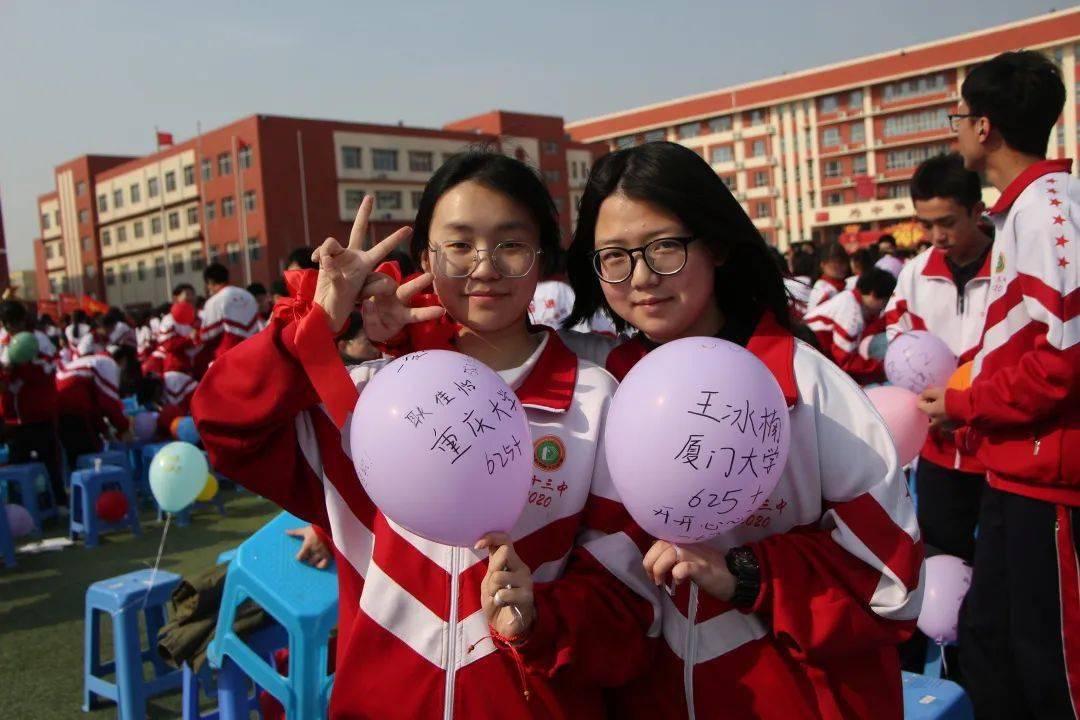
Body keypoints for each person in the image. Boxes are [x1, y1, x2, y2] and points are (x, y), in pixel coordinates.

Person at [192, 153, 660, 718]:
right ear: (423, 260)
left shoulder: (596, 401)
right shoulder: (367, 404)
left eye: (510, 244)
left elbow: (627, 603)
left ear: (543, 260)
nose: (484, 267)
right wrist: (318, 322)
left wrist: (540, 616)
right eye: (459, 245)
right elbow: (224, 425)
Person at [561, 141, 921, 719]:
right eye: (615, 257)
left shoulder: (808, 389)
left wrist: (747, 574)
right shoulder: (609, 386)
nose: (642, 278)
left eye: (664, 247)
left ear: (718, 244)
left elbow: (894, 581)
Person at [918, 50, 1079, 719]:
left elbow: (1060, 364)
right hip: (1011, 471)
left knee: (1052, 667)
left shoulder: (1050, 213)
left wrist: (964, 402)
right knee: (991, 645)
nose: (954, 130)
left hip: (1049, 481)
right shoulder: (1022, 210)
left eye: (957, 116)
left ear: (984, 127)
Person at [886, 153, 992, 564]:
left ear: (976, 210)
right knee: (941, 554)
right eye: (926, 224)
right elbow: (898, 337)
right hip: (937, 448)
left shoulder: (1009, 264)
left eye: (947, 222)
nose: (937, 235)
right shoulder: (914, 273)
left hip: (995, 446)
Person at [0, 301, 64, 507]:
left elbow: (50, 369)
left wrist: (23, 367)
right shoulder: (3, 341)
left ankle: (59, 502)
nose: (11, 328)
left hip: (39, 415)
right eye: (7, 324)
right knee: (17, 465)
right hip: (12, 419)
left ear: (22, 320)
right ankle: (19, 507)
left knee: (50, 463)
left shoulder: (39, 340)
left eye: (14, 323)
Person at [804, 268, 895, 385]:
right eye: (884, 302)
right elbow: (846, 361)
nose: (883, 308)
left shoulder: (850, 299)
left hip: (815, 357)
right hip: (811, 360)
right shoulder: (851, 313)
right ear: (873, 294)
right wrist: (884, 369)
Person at [55, 346, 130, 467]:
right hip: (75, 406)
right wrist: (124, 429)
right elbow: (110, 403)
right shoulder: (108, 364)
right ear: (122, 360)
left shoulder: (91, 361)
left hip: (60, 405)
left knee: (76, 456)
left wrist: (104, 429)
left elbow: (95, 406)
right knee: (91, 454)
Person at [194, 264, 259, 375]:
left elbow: (208, 334)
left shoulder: (214, 300)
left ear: (210, 282)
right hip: (254, 353)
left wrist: (196, 335)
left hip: (229, 358)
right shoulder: (248, 296)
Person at [806, 241, 848, 311]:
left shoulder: (844, 286)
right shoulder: (824, 291)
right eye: (836, 262)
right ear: (823, 264)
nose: (841, 267)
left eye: (844, 262)